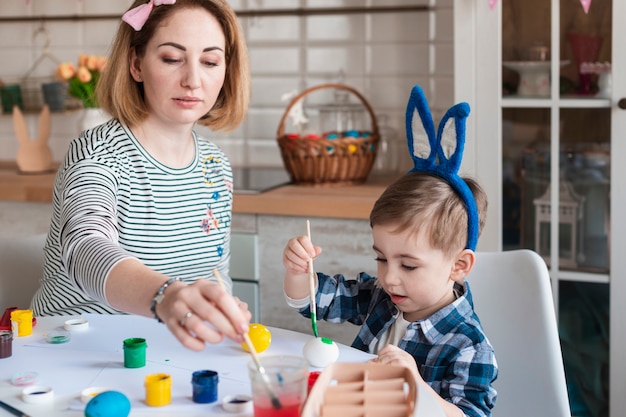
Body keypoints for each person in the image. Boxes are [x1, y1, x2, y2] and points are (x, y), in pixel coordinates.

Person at [31, 0, 251, 351]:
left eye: (210, 61)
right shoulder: (98, 153)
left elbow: (214, 270)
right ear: (136, 64)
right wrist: (166, 295)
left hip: (166, 352)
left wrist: (220, 303)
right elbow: (85, 246)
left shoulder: (215, 165)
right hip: (71, 347)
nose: (193, 80)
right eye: (171, 58)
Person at [282, 86, 497, 417]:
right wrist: (299, 271)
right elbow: (312, 301)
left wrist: (415, 383)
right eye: (381, 258)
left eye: (408, 266)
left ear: (458, 265)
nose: (389, 277)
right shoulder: (381, 296)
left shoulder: (468, 345)